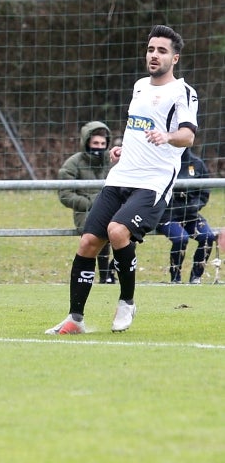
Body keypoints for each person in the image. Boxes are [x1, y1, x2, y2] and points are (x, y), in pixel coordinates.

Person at [46, 25, 199, 335]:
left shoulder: (182, 91)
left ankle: (127, 301)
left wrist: (167, 136)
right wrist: (122, 149)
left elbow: (188, 136)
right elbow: (137, 127)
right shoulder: (140, 85)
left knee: (117, 231)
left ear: (175, 58)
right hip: (122, 175)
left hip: (153, 182)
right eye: (151, 49)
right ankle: (75, 319)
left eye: (162, 51)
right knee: (89, 242)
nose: (154, 55)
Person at [57, 121, 115, 284]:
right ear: (86, 142)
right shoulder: (73, 163)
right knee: (101, 233)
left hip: (112, 209)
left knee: (126, 232)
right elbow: (65, 194)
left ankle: (111, 271)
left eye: (103, 143)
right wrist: (90, 204)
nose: (99, 146)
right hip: (86, 212)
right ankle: (104, 276)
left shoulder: (112, 160)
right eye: (95, 143)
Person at [155, 148, 217, 284]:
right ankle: (175, 279)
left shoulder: (196, 163)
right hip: (166, 215)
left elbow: (204, 192)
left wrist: (194, 205)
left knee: (208, 236)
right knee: (180, 238)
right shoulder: (160, 161)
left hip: (190, 214)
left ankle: (196, 277)